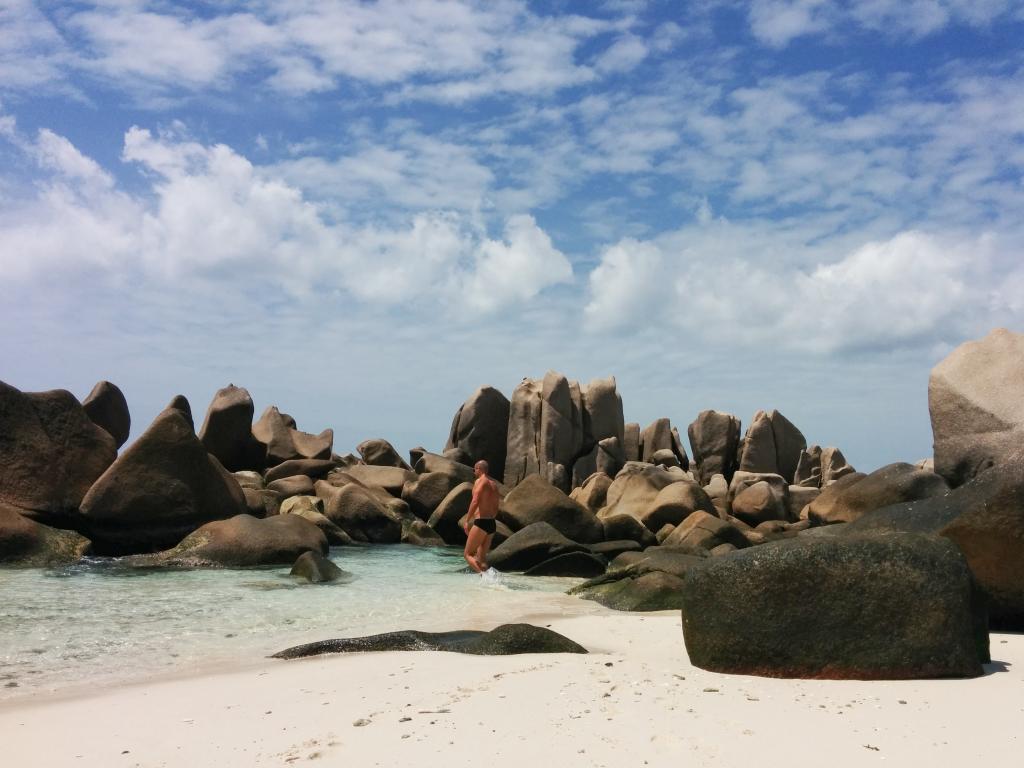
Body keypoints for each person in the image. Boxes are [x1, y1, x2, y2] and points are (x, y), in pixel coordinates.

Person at [463, 459, 499, 573]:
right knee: (481, 559)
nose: (474, 472)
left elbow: (475, 501)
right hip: (491, 524)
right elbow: (496, 507)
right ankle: (490, 584)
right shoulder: (494, 485)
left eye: (474, 469)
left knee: (467, 554)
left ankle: (484, 577)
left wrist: (467, 520)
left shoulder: (480, 481)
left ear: (479, 469)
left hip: (481, 523)